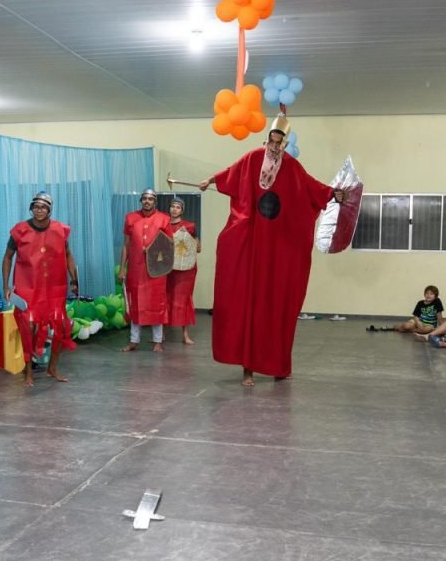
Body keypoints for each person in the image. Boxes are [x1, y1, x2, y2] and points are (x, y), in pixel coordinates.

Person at [197, 114, 345, 386]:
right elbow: (231, 174)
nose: (274, 146)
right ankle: (248, 368)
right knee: (246, 304)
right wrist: (211, 181)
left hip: (276, 245)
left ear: (284, 143)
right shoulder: (253, 158)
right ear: (266, 140)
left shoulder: (291, 166)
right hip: (251, 239)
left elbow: (310, 187)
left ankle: (278, 364)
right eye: (272, 141)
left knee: (276, 306)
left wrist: (331, 193)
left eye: (280, 142)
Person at [1, 191, 78, 387]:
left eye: (43, 207)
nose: (39, 210)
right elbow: (8, 257)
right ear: (31, 208)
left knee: (60, 326)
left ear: (50, 209)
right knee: (29, 327)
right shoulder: (20, 231)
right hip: (28, 288)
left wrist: (74, 279)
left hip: (54, 288)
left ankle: (53, 368)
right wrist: (6, 285)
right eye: (36, 206)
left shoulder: (60, 230)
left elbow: (68, 256)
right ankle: (28, 372)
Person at [119, 189, 172, 352]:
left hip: (155, 270)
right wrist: (122, 268)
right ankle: (134, 341)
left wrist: (153, 251)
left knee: (157, 303)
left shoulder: (164, 219)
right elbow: (126, 245)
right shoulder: (130, 218)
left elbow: (169, 245)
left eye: (150, 199)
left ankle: (157, 341)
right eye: (145, 199)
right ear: (141, 201)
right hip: (135, 269)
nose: (147, 201)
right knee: (136, 304)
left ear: (155, 201)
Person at [164, 197, 199, 345]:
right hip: (167, 268)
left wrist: (186, 241)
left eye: (178, 207)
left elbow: (197, 247)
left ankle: (185, 335)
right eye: (172, 206)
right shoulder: (163, 225)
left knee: (183, 300)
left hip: (186, 270)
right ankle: (162, 334)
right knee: (166, 298)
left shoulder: (189, 226)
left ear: (182, 210)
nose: (174, 209)